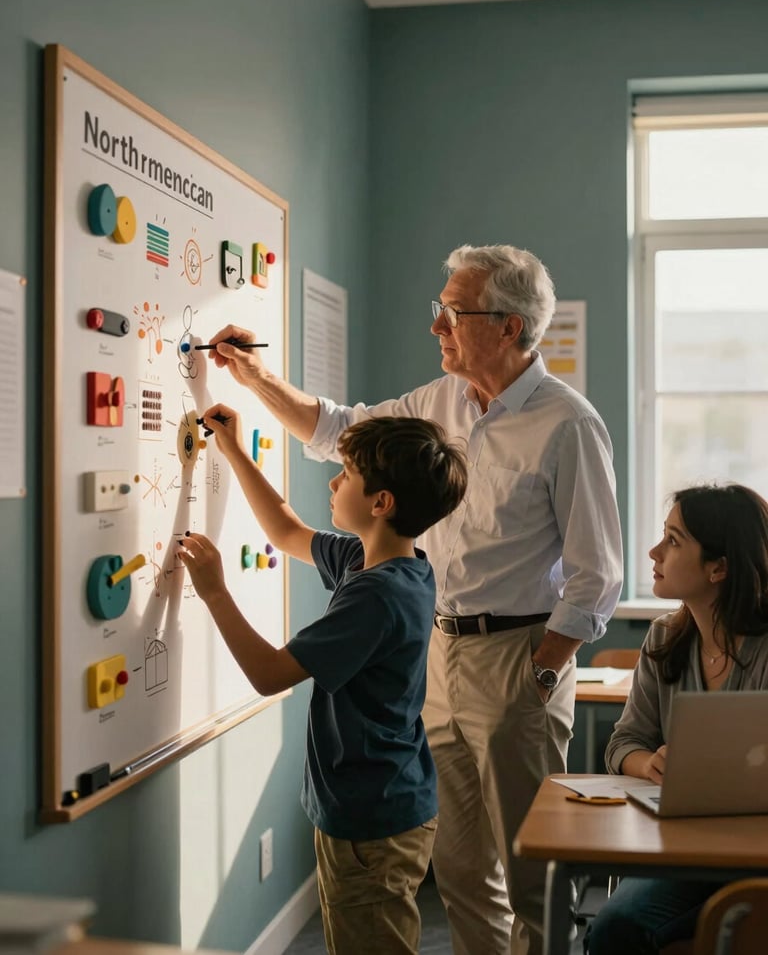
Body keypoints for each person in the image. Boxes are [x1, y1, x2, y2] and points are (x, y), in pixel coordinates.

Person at [206, 243, 624, 955]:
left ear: (509, 328)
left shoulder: (568, 424)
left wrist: (544, 668)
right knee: (461, 871)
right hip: (435, 649)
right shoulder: (437, 403)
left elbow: (599, 572)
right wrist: (255, 378)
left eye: (452, 313)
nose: (436, 327)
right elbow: (338, 430)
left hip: (517, 657)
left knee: (532, 874)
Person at [178, 407, 468, 955]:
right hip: (376, 802)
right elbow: (286, 530)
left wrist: (215, 590)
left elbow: (269, 675)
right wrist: (236, 450)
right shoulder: (387, 563)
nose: (333, 482)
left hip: (372, 819)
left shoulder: (377, 596)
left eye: (347, 475)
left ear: (381, 503)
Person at [585, 483, 768, 955]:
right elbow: (622, 743)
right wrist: (650, 764)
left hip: (758, 854)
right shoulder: (665, 638)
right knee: (613, 928)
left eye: (673, 540)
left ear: (719, 568)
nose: (653, 551)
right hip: (683, 851)